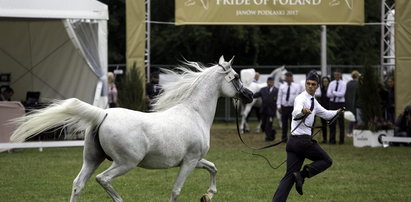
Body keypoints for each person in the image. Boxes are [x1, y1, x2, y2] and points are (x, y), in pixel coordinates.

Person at [272, 70, 343, 202]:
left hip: (293, 143)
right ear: (305, 84)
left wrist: (337, 112)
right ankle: (302, 175)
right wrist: (302, 112)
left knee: (289, 177)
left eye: (313, 84)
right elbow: (295, 112)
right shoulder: (301, 98)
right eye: (308, 83)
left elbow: (326, 114)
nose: (310, 86)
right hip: (301, 142)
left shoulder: (314, 102)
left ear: (317, 86)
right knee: (327, 161)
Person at [277, 72, 300, 141]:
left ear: (292, 78)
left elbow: (297, 97)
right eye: (287, 77)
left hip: (292, 108)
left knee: (292, 123)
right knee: (284, 123)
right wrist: (278, 106)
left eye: (290, 77)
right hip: (284, 107)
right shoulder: (282, 86)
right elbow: (279, 96)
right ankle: (284, 138)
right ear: (285, 78)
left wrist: (297, 107)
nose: (288, 79)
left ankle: (292, 138)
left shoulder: (296, 86)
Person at [254, 77, 278, 141]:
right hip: (263, 110)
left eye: (271, 82)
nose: (270, 83)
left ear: (273, 83)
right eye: (269, 82)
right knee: (263, 125)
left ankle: (268, 137)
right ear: (267, 82)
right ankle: (272, 131)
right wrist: (249, 95)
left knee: (269, 124)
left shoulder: (277, 90)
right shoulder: (263, 90)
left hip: (271, 111)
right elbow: (256, 95)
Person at [327, 69, 346, 144]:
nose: (336, 76)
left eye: (338, 75)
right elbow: (328, 94)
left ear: (340, 75)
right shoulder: (331, 83)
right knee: (332, 122)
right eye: (335, 75)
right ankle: (332, 140)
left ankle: (341, 140)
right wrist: (336, 93)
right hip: (332, 103)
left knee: (341, 122)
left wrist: (333, 92)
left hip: (340, 104)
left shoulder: (343, 83)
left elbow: (342, 94)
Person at [345, 70, 360, 137]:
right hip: (356, 103)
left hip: (349, 102)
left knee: (352, 117)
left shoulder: (348, 83)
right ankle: (355, 131)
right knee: (356, 117)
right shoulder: (358, 83)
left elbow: (346, 94)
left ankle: (350, 131)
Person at [317, 76, 331, 143]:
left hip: (330, 108)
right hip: (323, 109)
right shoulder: (320, 90)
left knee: (331, 124)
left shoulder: (330, 89)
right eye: (324, 81)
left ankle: (331, 139)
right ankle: (324, 139)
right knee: (323, 125)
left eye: (326, 81)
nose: (325, 83)